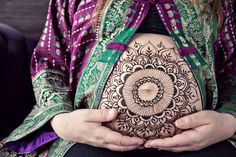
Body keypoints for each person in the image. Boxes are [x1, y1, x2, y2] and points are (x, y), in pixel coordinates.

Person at [0, 0, 236, 156]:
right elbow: (49, 60)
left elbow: (233, 69)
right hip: (88, 139)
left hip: (201, 141)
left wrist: (228, 123)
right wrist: (61, 121)